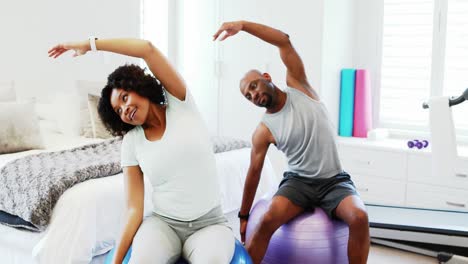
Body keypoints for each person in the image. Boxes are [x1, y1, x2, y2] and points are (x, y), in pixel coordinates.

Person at [48, 38, 235, 263]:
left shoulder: (180, 103)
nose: (125, 109)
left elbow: (147, 49)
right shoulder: (132, 143)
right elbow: (134, 209)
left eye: (125, 98)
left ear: (138, 87)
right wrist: (116, 260)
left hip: (210, 224)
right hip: (163, 225)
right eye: (118, 111)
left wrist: (90, 45)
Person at [213, 21, 370, 264]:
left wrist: (242, 26)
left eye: (254, 86)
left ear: (267, 77)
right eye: (248, 95)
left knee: (359, 217)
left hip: (334, 180)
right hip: (299, 183)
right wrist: (244, 217)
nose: (253, 95)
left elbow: (283, 40)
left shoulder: (299, 86)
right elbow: (253, 173)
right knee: (265, 221)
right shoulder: (264, 131)